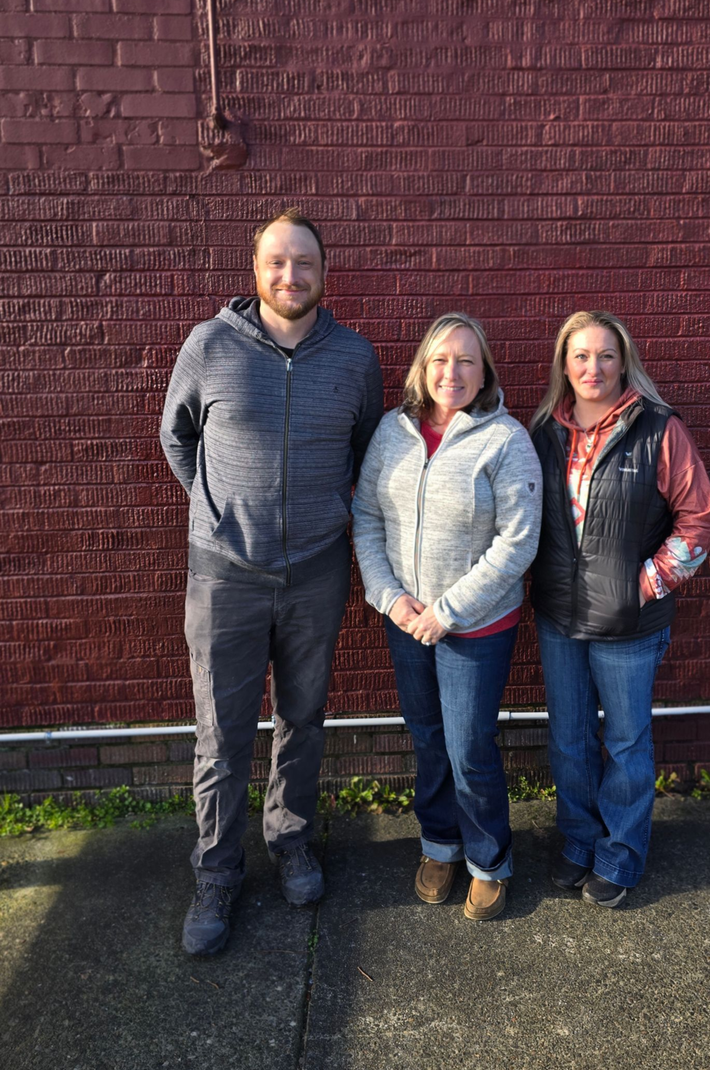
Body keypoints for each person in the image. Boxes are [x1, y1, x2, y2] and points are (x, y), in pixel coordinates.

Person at [160, 208, 383, 955]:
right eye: (277, 262)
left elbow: (364, 449)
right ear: (256, 270)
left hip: (316, 569)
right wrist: (217, 510)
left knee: (302, 718)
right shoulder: (209, 345)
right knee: (222, 733)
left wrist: (325, 512)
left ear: (324, 272)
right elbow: (176, 436)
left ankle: (290, 840)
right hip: (225, 576)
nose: (291, 275)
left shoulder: (354, 357)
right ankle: (216, 872)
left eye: (304, 262)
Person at [352, 312, 542, 922]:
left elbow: (518, 543)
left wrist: (448, 612)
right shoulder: (392, 431)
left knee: (469, 746)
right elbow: (366, 516)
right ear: (422, 369)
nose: (451, 372)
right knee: (428, 738)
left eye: (465, 360)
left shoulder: (505, 440)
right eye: (439, 359)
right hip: (407, 621)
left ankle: (489, 861)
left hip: (476, 628)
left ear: (484, 372)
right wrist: (389, 597)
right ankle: (440, 843)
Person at [530, 310, 710, 908]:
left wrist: (646, 583)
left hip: (630, 622)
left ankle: (621, 853)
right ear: (564, 365)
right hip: (559, 616)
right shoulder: (544, 431)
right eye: (581, 355)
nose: (594, 367)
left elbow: (699, 521)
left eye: (606, 355)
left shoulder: (659, 428)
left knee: (627, 742)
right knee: (569, 739)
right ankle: (579, 840)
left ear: (623, 361)